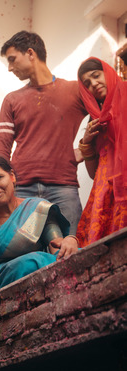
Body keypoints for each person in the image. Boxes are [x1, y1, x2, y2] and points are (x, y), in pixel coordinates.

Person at [0, 31, 87, 235]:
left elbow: (106, 118)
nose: (10, 68)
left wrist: (85, 149)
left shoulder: (75, 91)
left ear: (30, 53)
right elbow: (2, 149)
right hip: (21, 189)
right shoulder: (12, 99)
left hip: (64, 187)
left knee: (72, 252)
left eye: (12, 60)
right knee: (26, 257)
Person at [0, 155, 79, 303]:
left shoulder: (38, 208)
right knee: (22, 266)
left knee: (31, 263)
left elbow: (57, 248)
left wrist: (70, 240)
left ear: (12, 176)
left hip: (33, 267)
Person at [76, 57, 127, 246]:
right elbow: (93, 173)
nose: (94, 84)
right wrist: (87, 143)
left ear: (108, 72)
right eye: (87, 84)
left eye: (96, 76)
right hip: (105, 192)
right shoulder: (95, 120)